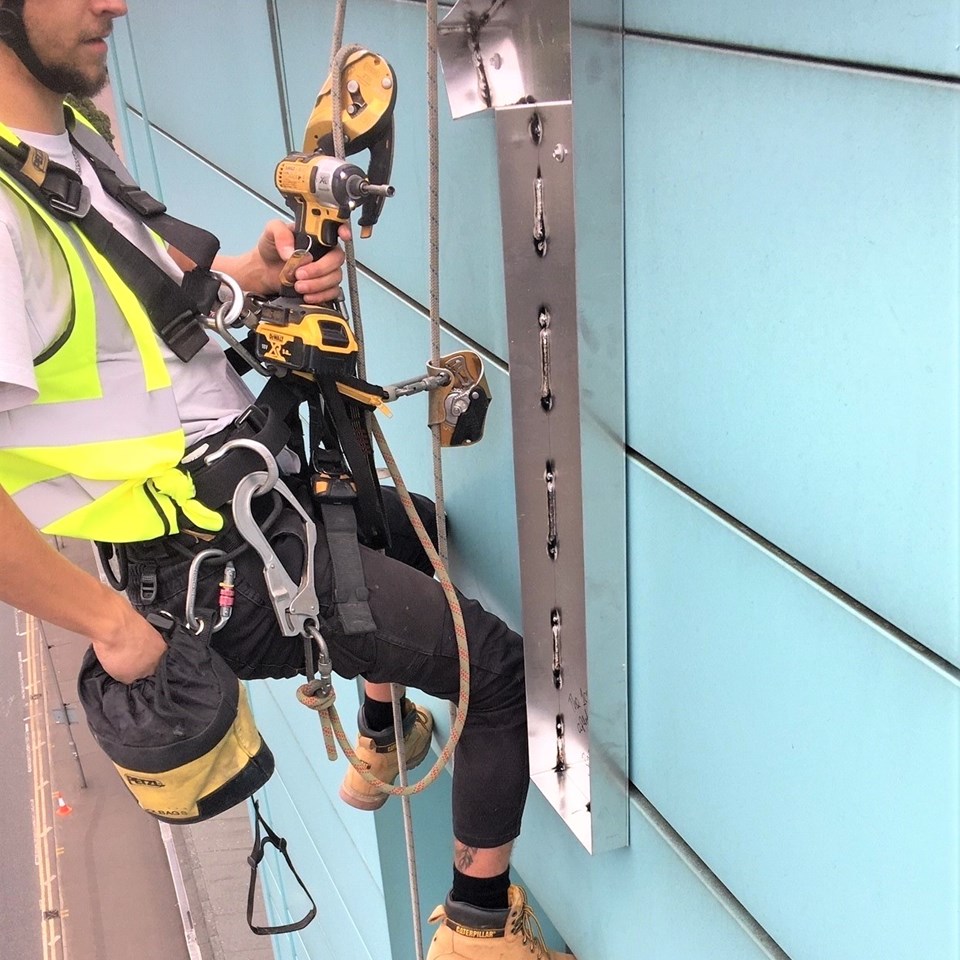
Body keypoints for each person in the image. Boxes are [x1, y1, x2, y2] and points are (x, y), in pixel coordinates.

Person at [0, 1, 575, 958]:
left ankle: (385, 727)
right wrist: (110, 628)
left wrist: (248, 272)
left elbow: (132, 296)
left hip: (253, 508)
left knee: (413, 526)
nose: (116, 3)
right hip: (217, 570)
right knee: (497, 670)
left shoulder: (68, 135)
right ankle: (481, 931)